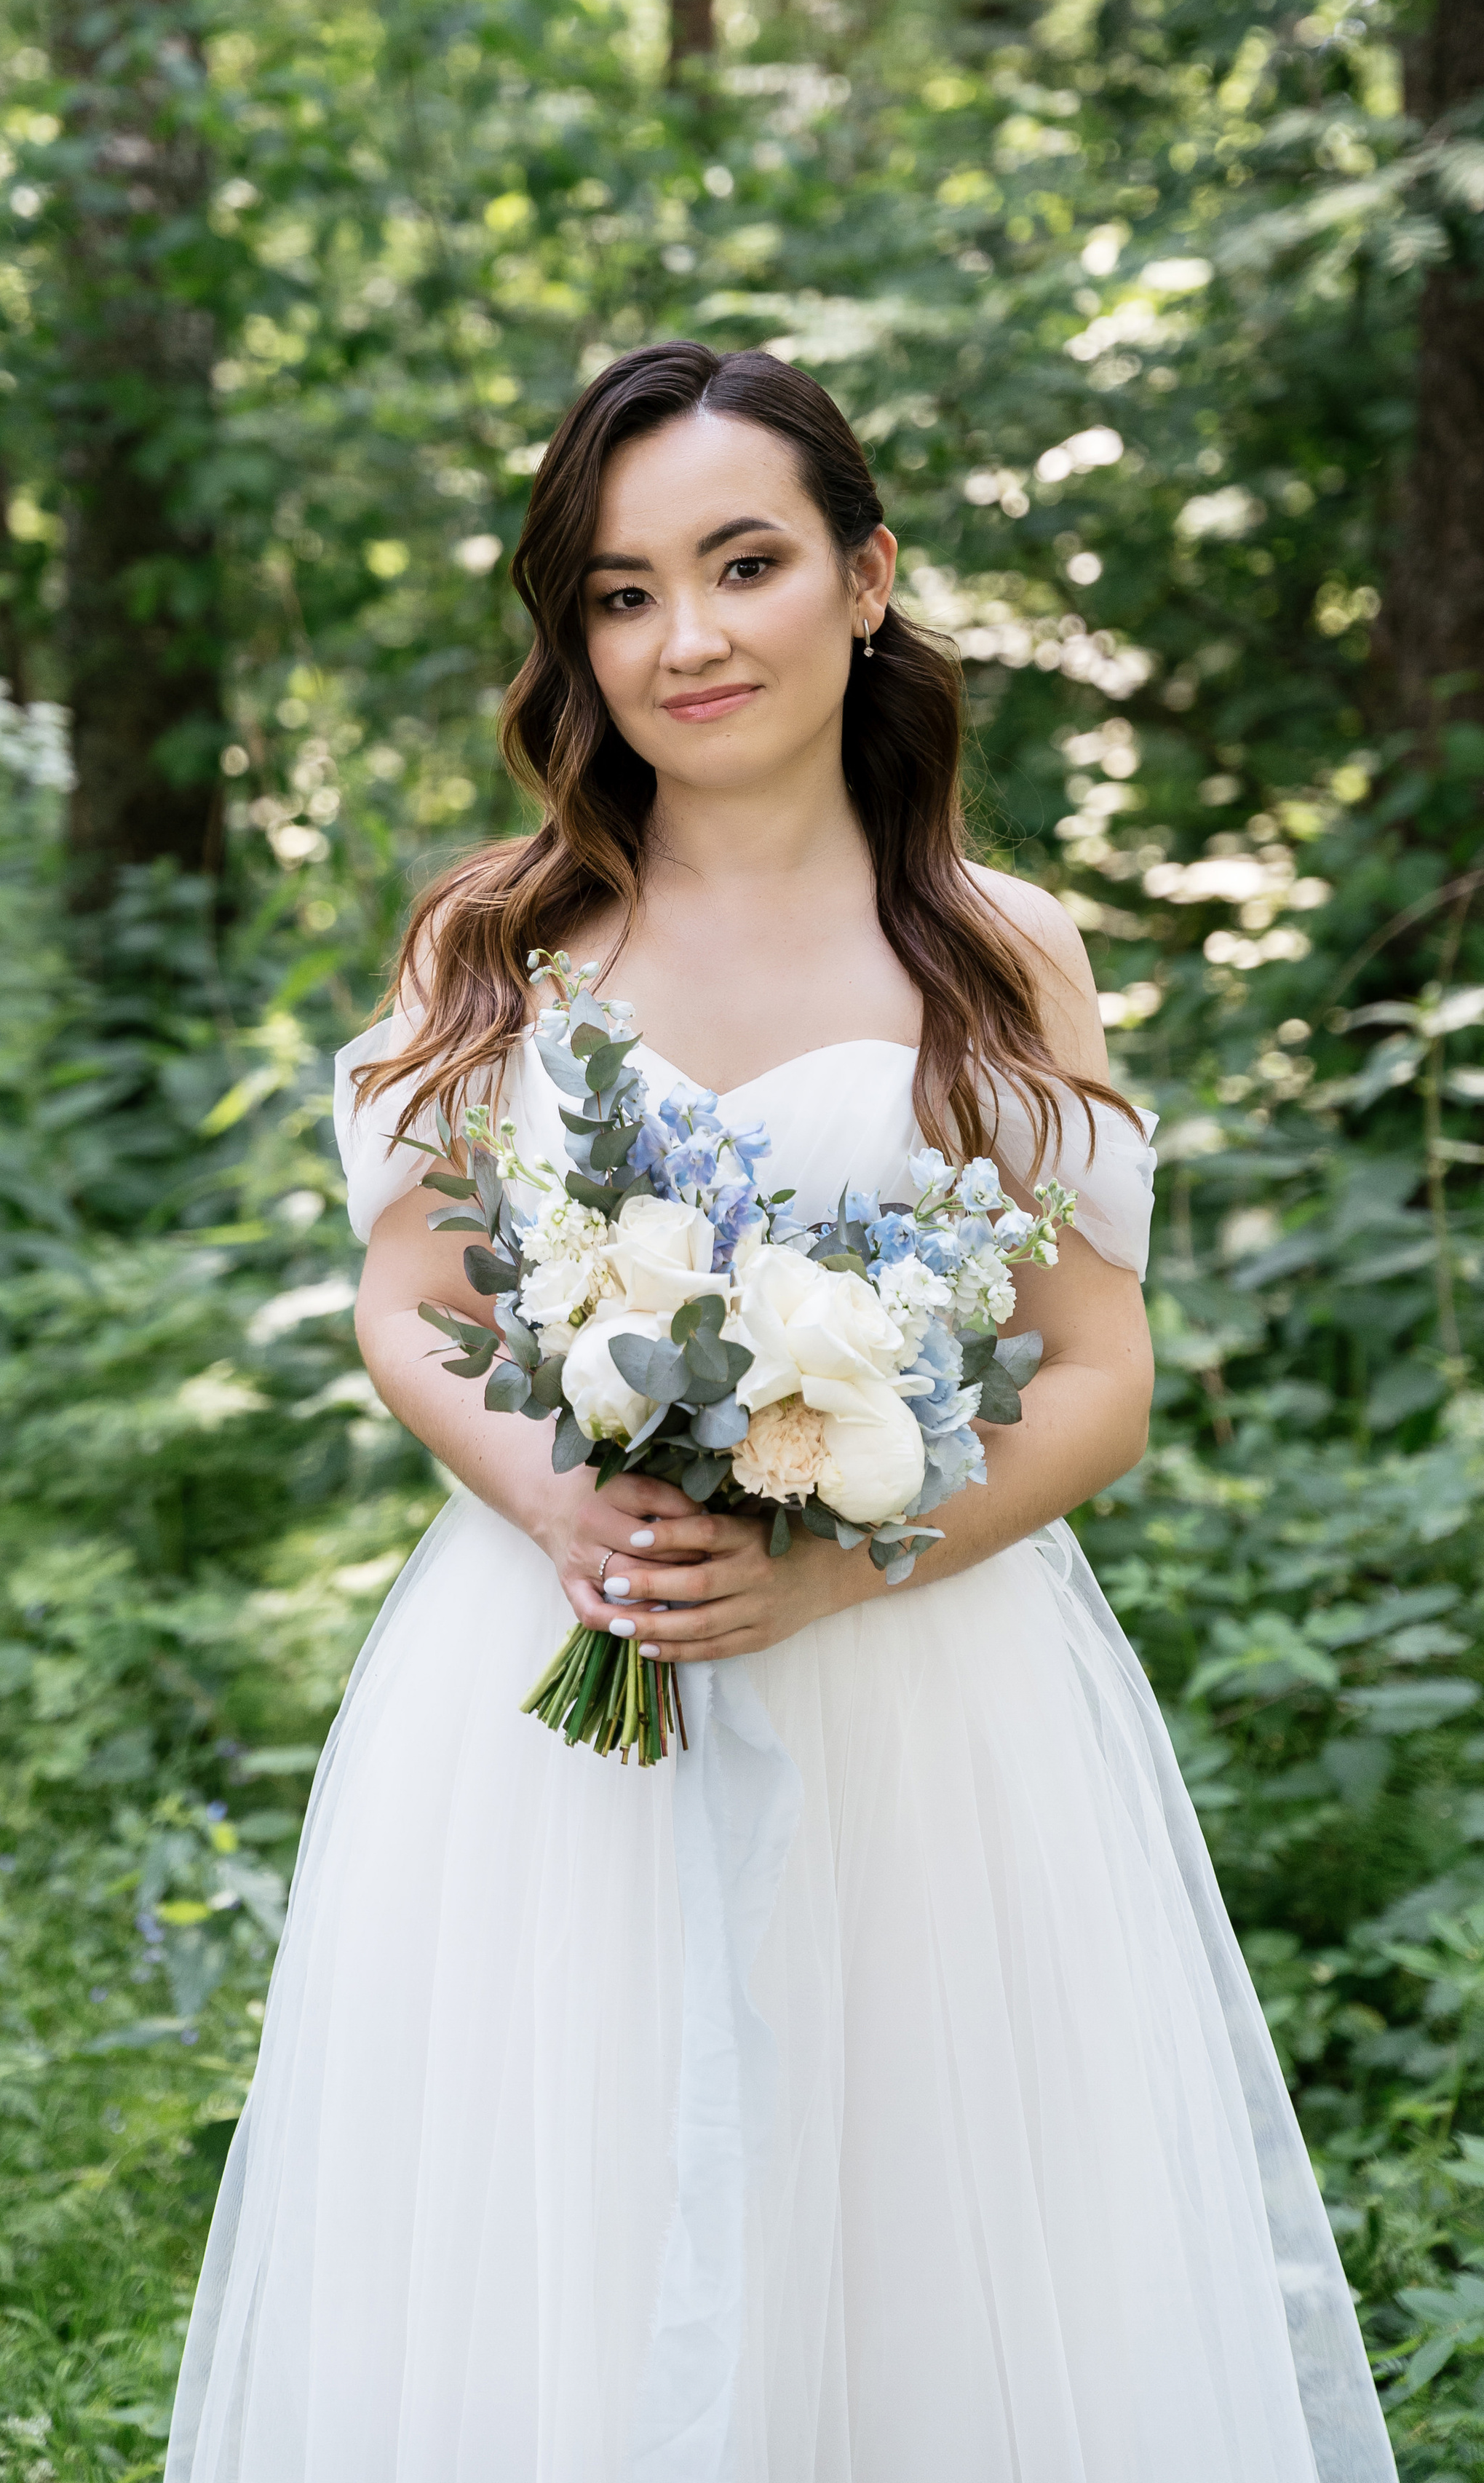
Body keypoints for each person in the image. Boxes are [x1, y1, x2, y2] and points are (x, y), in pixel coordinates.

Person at [166, 343, 1396, 2482]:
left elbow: (1102, 1378)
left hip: (919, 1702)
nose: (687, 638)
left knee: (913, 2249)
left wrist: (832, 1573)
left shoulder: (999, 957)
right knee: (556, 2233)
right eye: (623, 594)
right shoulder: (499, 941)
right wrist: (563, 1504)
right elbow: (407, 1299)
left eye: (742, 564)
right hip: (549, 1691)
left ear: (865, 577)